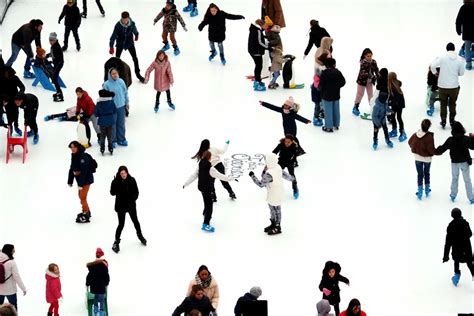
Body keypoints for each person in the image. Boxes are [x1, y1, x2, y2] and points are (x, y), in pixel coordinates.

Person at [183, 151, 234, 232]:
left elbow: (194, 175)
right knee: (209, 205)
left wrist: (186, 184)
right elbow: (221, 176)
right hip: (207, 189)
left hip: (201, 188)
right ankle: (206, 224)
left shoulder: (200, 164)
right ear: (210, 157)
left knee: (206, 202)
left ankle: (205, 213)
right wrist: (231, 178)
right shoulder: (211, 168)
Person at [249, 153, 295, 235]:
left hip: (274, 193)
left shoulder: (269, 173)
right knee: (273, 209)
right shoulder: (277, 167)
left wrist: (253, 176)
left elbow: (261, 184)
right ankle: (273, 224)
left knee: (276, 209)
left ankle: (277, 227)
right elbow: (285, 175)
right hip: (276, 191)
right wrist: (292, 178)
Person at [110, 166, 147, 253]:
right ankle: (116, 242)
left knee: (135, 221)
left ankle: (140, 235)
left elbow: (137, 192)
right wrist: (114, 184)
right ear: (119, 174)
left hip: (130, 205)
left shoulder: (132, 180)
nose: (123, 175)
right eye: (121, 173)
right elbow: (112, 193)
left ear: (127, 172)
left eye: (124, 173)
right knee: (121, 224)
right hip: (120, 206)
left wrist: (133, 198)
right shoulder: (116, 181)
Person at [435, 121, 474, 203]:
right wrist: (473, 138)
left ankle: (453, 195)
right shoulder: (466, 139)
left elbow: (443, 148)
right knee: (467, 180)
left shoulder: (450, 140)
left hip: (454, 163)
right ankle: (471, 197)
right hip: (465, 162)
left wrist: (434, 151)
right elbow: (473, 147)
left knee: (455, 178)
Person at [430, 43, 465, 128]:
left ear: (446, 49)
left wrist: (436, 73)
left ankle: (443, 120)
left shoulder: (442, 58)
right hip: (454, 86)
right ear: (454, 49)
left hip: (442, 86)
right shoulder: (459, 59)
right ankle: (452, 120)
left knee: (443, 104)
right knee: (453, 103)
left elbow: (432, 65)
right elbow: (462, 73)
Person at [109, 11, 145, 82]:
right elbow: (113, 36)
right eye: (124, 20)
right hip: (120, 44)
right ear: (121, 19)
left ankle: (138, 74)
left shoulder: (132, 24)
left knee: (135, 58)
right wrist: (111, 47)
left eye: (126, 19)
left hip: (129, 43)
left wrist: (136, 35)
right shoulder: (118, 26)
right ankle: (115, 75)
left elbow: (135, 30)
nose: (125, 21)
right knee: (117, 60)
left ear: (128, 18)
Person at [443, 208, 473, 286]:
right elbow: (470, 234)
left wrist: (445, 256)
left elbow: (448, 243)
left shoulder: (451, 226)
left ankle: (456, 276)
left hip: (457, 250)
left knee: (456, 261)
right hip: (467, 249)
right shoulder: (465, 223)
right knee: (470, 263)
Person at [67, 140, 95, 223]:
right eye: (71, 147)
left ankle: (86, 213)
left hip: (86, 180)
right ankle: (86, 211)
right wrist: (70, 181)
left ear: (77, 147)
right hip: (80, 180)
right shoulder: (74, 155)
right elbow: (72, 168)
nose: (72, 149)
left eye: (74, 147)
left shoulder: (83, 156)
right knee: (80, 196)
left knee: (82, 197)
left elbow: (84, 171)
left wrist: (80, 184)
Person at [408, 119, 436, 199]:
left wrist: (416, 149)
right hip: (427, 159)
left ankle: (420, 191)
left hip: (417, 158)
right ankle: (427, 189)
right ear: (429, 127)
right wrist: (435, 152)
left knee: (420, 174)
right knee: (427, 173)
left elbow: (410, 142)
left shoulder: (415, 135)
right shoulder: (429, 137)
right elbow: (431, 149)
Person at [103, 68, 129, 147]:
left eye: (116, 73)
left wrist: (127, 103)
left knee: (121, 124)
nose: (115, 75)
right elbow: (104, 97)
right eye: (113, 74)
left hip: (121, 106)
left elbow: (125, 93)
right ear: (110, 75)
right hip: (112, 107)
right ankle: (113, 140)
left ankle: (121, 139)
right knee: (112, 125)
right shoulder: (106, 84)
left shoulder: (121, 81)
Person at [319, 57, 346, 133]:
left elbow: (321, 85)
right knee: (336, 110)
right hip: (336, 94)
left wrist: (320, 89)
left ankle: (329, 127)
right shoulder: (338, 72)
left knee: (328, 111)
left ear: (326, 65)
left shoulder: (324, 73)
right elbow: (343, 82)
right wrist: (337, 86)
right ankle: (336, 124)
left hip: (326, 95)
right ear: (334, 64)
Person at [352, 48, 379, 117]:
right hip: (362, 81)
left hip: (369, 82)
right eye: (368, 56)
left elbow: (376, 69)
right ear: (364, 56)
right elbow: (364, 72)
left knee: (370, 95)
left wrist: (379, 76)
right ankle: (356, 106)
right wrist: (372, 76)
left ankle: (372, 108)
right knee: (360, 94)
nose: (369, 57)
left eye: (370, 56)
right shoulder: (363, 62)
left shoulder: (373, 62)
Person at [0, 245, 26, 312]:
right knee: (13, 307)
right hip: (10, 290)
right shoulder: (11, 263)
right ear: (9, 251)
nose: (14, 251)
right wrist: (23, 288)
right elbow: (17, 277)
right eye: (13, 250)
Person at [273, 134, 299, 198]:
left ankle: (295, 188)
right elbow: (274, 152)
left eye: (288, 142)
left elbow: (294, 156)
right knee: (276, 172)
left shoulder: (294, 147)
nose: (286, 143)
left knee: (292, 175)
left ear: (292, 141)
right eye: (285, 141)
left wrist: (294, 161)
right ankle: (274, 187)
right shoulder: (281, 144)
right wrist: (272, 158)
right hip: (281, 161)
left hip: (290, 162)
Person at [0, 67, 25, 136]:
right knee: (8, 113)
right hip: (6, 100)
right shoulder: (1, 78)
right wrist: (3, 97)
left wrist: (19, 94)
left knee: (16, 112)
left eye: (8, 73)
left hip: (15, 99)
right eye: (5, 73)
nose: (6, 75)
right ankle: (10, 127)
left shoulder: (15, 78)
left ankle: (16, 126)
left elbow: (22, 87)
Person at [86, 248, 109, 316]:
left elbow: (88, 276)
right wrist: (106, 283)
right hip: (101, 286)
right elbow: (107, 277)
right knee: (101, 298)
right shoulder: (104, 268)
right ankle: (101, 310)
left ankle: (95, 307)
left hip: (94, 286)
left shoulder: (92, 268)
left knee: (96, 296)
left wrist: (87, 283)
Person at [248, 19, 269, 91]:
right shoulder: (258, 31)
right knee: (259, 66)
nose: (266, 27)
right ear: (261, 25)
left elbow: (258, 38)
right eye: (265, 25)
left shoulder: (254, 29)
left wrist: (264, 37)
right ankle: (257, 83)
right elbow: (260, 42)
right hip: (256, 51)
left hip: (253, 50)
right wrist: (268, 48)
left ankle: (258, 81)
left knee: (258, 66)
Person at [94, 89, 116, 155]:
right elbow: (114, 110)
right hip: (110, 121)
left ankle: (102, 148)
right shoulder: (111, 102)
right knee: (109, 135)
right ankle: (110, 147)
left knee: (102, 136)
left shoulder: (99, 103)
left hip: (102, 122)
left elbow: (96, 113)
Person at [265, 17, 283, 89]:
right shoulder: (270, 31)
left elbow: (277, 41)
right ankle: (272, 82)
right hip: (275, 51)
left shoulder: (271, 32)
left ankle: (273, 81)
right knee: (276, 67)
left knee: (276, 66)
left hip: (276, 50)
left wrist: (268, 43)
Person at [456, 0, 474, 70]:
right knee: (467, 47)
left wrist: (458, 30)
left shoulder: (463, 8)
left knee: (467, 48)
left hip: (467, 32)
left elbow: (458, 20)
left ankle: (468, 64)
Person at [47, 32, 65, 102]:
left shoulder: (57, 47)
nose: (51, 42)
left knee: (54, 78)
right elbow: (52, 54)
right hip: (56, 64)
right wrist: (47, 56)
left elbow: (59, 58)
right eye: (50, 40)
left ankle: (60, 95)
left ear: (55, 40)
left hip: (59, 64)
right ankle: (58, 92)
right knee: (53, 77)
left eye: (52, 40)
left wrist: (56, 66)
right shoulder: (53, 46)